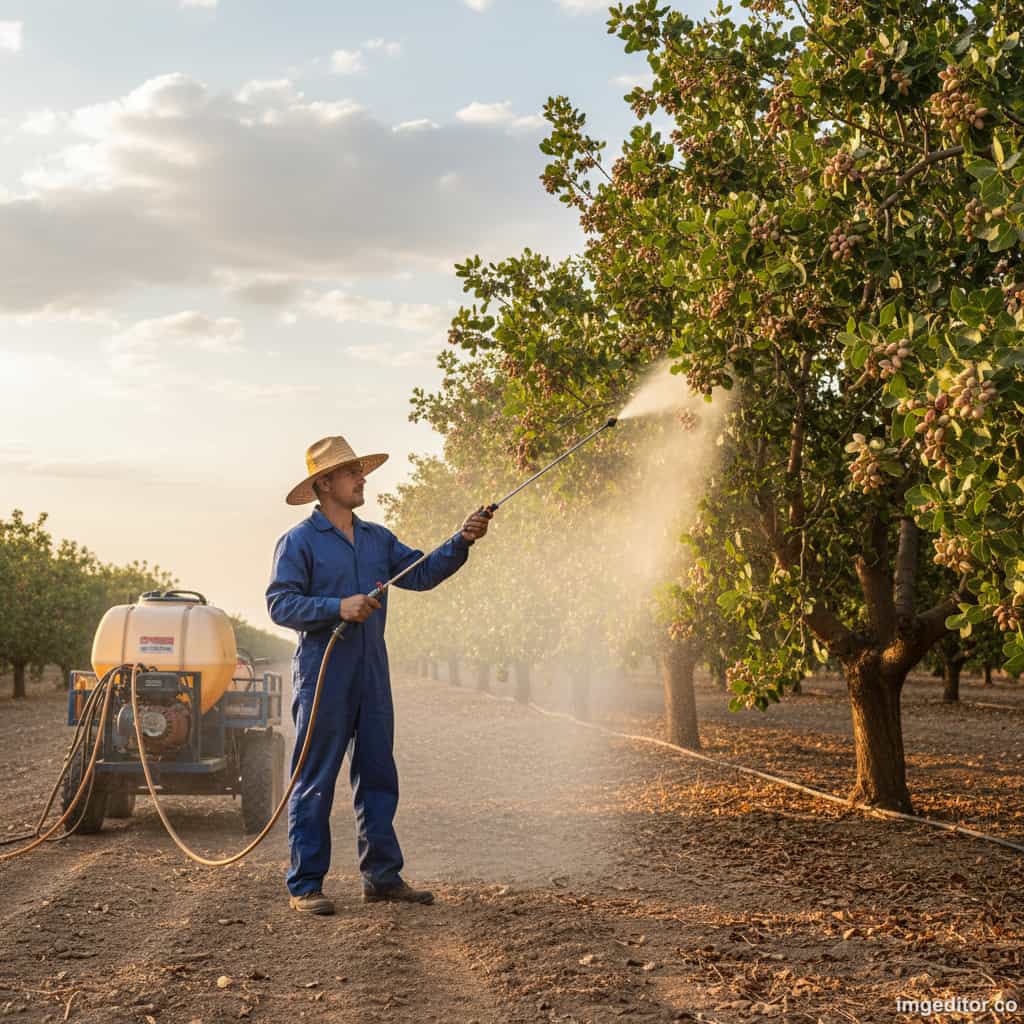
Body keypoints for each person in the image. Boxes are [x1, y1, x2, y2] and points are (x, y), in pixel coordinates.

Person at [266, 435, 491, 914]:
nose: (361, 479)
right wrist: (337, 607)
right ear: (324, 484)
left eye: (360, 472)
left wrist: (462, 540)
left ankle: (382, 877)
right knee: (315, 776)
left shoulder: (377, 539)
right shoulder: (299, 541)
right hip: (323, 673)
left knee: (377, 772)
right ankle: (305, 884)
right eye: (351, 473)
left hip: (371, 671)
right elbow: (280, 604)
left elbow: (422, 574)